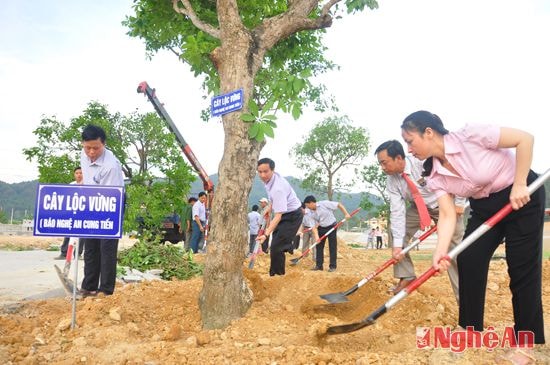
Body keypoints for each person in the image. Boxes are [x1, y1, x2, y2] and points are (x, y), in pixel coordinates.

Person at [401, 110, 545, 361]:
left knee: (521, 267)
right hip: (484, 208)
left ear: (428, 132)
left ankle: (526, 342)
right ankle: (470, 329)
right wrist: (440, 251)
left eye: (410, 141)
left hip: (520, 197)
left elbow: (525, 139)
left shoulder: (471, 135)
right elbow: (447, 215)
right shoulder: (433, 175)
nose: (409, 149)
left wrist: (521, 183)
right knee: (469, 259)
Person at [375, 140, 466, 298]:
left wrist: (459, 203)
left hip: (444, 204)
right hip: (418, 209)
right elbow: (396, 210)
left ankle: (464, 298)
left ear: (398, 158)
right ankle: (407, 276)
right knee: (396, 232)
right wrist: (397, 246)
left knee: (454, 252)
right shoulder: (392, 181)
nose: (382, 168)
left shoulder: (422, 162)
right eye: (380, 164)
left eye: (384, 163)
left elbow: (455, 175)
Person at [79, 125, 124, 297]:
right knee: (90, 245)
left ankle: (105, 289)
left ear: (103, 144)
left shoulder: (111, 166)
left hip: (112, 201)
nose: (91, 152)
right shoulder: (84, 155)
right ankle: (89, 286)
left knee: (106, 246)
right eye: (87, 147)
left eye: (96, 148)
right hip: (91, 199)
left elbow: (109, 197)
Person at [255, 158, 303, 276]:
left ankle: (277, 275)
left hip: (292, 216)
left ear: (273, 170)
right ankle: (287, 245)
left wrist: (265, 234)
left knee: (277, 247)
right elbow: (273, 200)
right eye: (260, 172)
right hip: (285, 212)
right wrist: (269, 208)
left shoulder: (278, 188)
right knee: (276, 245)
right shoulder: (270, 180)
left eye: (265, 171)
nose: (262, 175)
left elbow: (278, 216)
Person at [303, 195, 351, 272]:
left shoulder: (324, 204)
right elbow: (313, 227)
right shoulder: (309, 213)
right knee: (319, 246)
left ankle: (332, 266)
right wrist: (317, 237)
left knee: (332, 246)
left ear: (311, 203)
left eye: (307, 205)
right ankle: (319, 266)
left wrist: (346, 214)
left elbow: (338, 204)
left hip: (332, 226)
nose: (307, 207)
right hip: (321, 227)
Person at [56, 166, 85, 260]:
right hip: (72, 212)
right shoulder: (71, 185)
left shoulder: (87, 185)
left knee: (82, 235)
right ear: (74, 175)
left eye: (81, 173)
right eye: (77, 173)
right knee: (68, 233)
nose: (79, 175)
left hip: (83, 212)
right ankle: (64, 253)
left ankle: (78, 254)